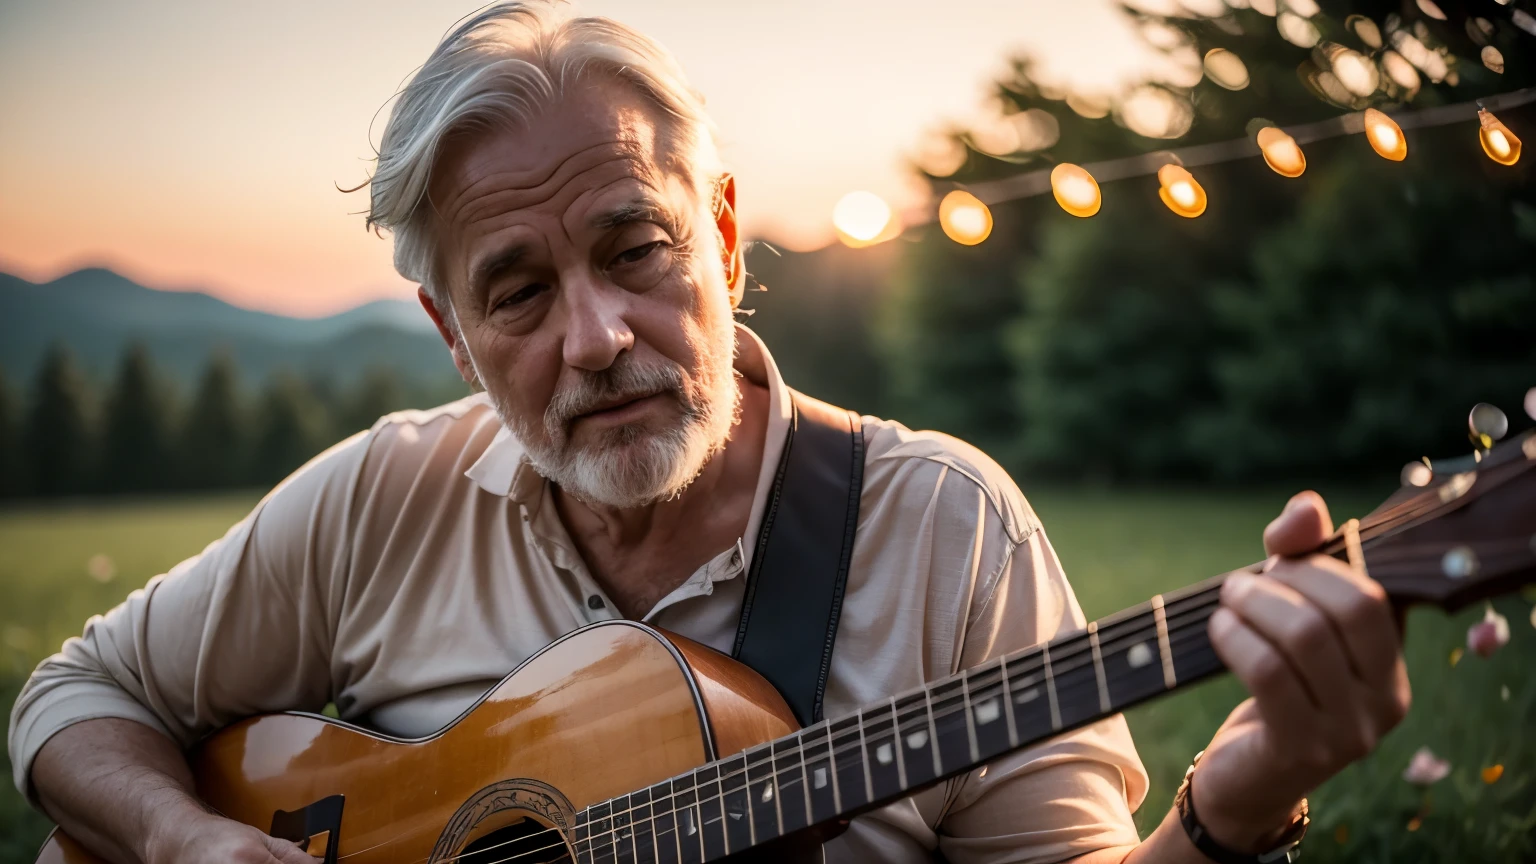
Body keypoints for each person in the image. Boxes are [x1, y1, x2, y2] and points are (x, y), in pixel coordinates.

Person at [8, 4, 1410, 863]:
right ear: (453, 339)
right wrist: (186, 837)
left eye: (636, 251)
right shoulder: (386, 499)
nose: (598, 336)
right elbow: (70, 699)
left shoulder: (942, 532)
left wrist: (1239, 808)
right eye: (518, 292)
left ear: (724, 239)